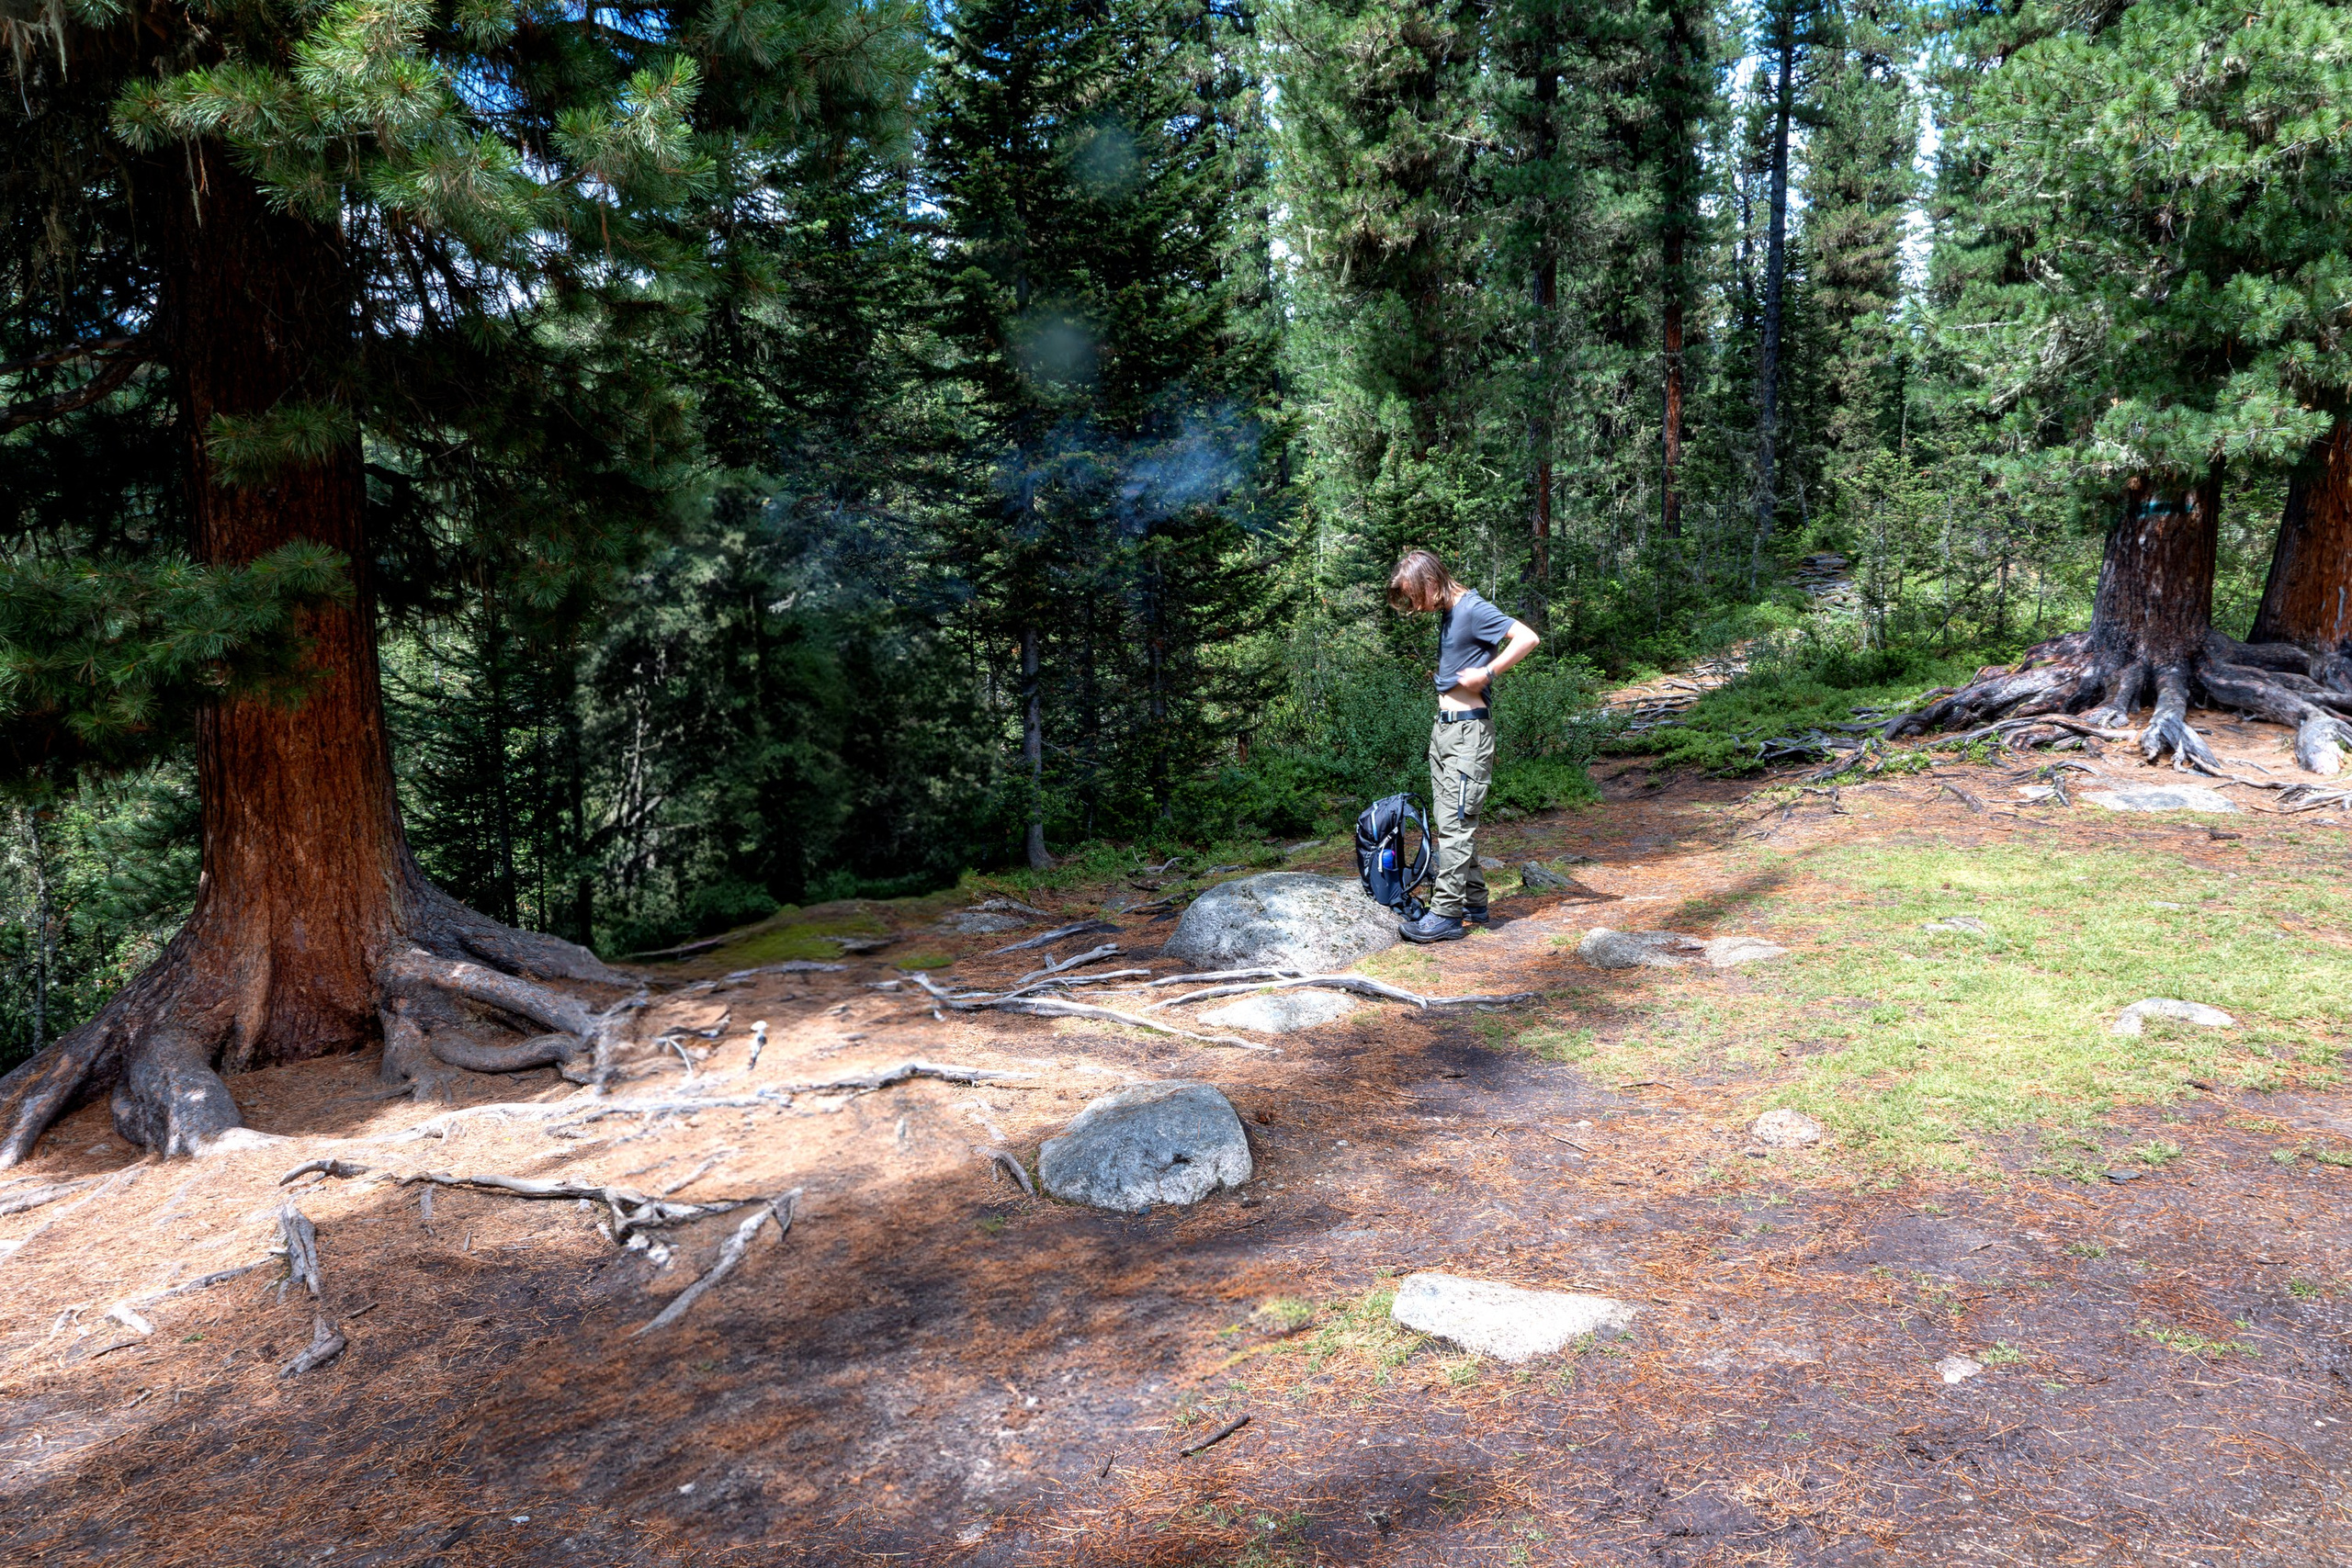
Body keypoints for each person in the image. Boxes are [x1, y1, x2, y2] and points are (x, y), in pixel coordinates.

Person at [1385, 549, 1542, 942]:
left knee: (1455, 826)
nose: (1415, 606)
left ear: (1431, 581)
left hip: (1468, 735)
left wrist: (1489, 672)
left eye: (1415, 595)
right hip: (1445, 733)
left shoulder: (1473, 609)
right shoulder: (1450, 613)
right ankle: (1474, 901)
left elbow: (1528, 637)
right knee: (1450, 820)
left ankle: (1447, 915)